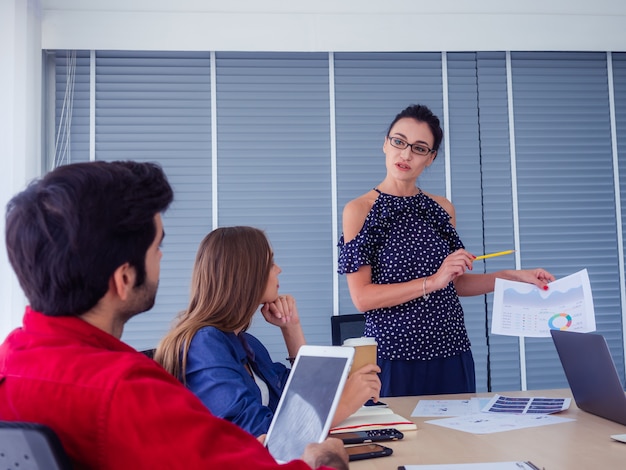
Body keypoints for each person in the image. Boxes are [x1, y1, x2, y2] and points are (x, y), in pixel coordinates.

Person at [0, 161, 348, 470]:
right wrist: (323, 461)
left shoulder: (10, 360)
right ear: (124, 279)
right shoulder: (126, 393)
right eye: (157, 247)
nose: (162, 259)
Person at [338, 104, 555, 397]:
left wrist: (515, 277)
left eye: (419, 148)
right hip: (392, 355)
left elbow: (456, 283)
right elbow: (362, 298)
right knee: (402, 443)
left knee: (456, 440)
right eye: (399, 142)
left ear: (431, 158)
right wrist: (432, 282)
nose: (406, 154)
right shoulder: (360, 210)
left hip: (451, 350)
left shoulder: (441, 208)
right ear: (385, 144)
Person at [154, 226, 381, 438]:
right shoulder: (203, 344)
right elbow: (256, 433)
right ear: (246, 274)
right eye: (271, 262)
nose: (279, 269)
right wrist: (343, 405)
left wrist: (292, 327)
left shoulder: (248, 344)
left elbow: (304, 401)